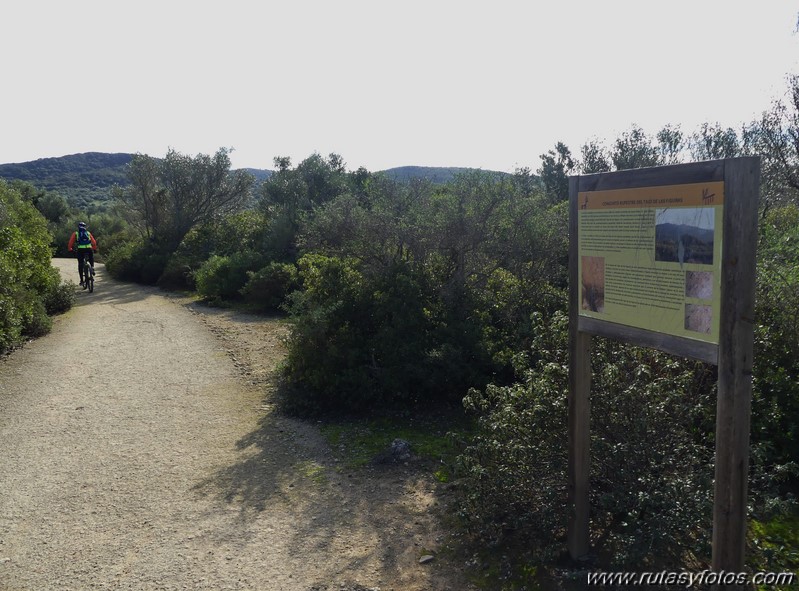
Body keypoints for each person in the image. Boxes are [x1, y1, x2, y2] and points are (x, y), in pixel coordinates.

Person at [67, 222, 98, 289]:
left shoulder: (76, 233)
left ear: (78, 227)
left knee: (80, 263)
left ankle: (81, 280)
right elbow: (94, 242)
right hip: (89, 249)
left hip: (80, 250)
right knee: (91, 258)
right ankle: (92, 268)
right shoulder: (88, 233)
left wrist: (70, 249)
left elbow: (70, 242)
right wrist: (94, 248)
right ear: (85, 227)